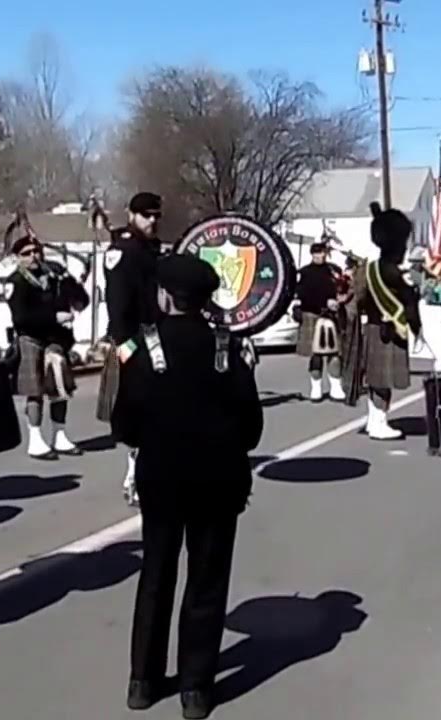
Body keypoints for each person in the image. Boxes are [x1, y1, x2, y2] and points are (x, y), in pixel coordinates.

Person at [113, 254, 263, 719]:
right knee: (207, 580)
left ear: (165, 296)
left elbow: (125, 424)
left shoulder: (144, 348)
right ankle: (196, 689)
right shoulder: (230, 348)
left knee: (156, 575)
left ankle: (143, 680)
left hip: (161, 479)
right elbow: (252, 427)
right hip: (218, 479)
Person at [97, 191, 166, 506]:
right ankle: (134, 477)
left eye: (155, 215)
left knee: (156, 409)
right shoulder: (122, 250)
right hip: (133, 338)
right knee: (137, 410)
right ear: (131, 214)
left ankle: (147, 471)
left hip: (156, 335)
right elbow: (117, 300)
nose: (152, 221)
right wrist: (124, 343)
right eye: (145, 215)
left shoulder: (152, 249)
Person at [7, 234, 91, 459]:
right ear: (17, 257)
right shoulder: (15, 282)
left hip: (56, 340)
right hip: (30, 339)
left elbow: (79, 299)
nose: (33, 256)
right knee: (35, 392)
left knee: (59, 388)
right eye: (26, 254)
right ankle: (35, 439)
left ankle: (59, 435)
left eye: (36, 251)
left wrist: (70, 284)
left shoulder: (52, 274)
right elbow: (21, 318)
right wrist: (54, 317)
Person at [343, 202, 422, 440]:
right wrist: (415, 325)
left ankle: (374, 420)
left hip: (373, 327)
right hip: (386, 330)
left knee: (377, 378)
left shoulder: (369, 269)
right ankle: (378, 422)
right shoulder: (391, 273)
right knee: (382, 379)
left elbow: (358, 299)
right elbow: (408, 304)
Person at [295, 242, 348, 402]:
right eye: (317, 253)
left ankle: (336, 387)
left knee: (335, 354)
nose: (321, 256)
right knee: (315, 354)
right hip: (312, 314)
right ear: (312, 254)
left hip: (332, 316)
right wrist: (325, 302)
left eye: (323, 253)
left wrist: (342, 298)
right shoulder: (304, 272)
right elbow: (302, 295)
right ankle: (316, 388)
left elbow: (344, 289)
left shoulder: (334, 271)